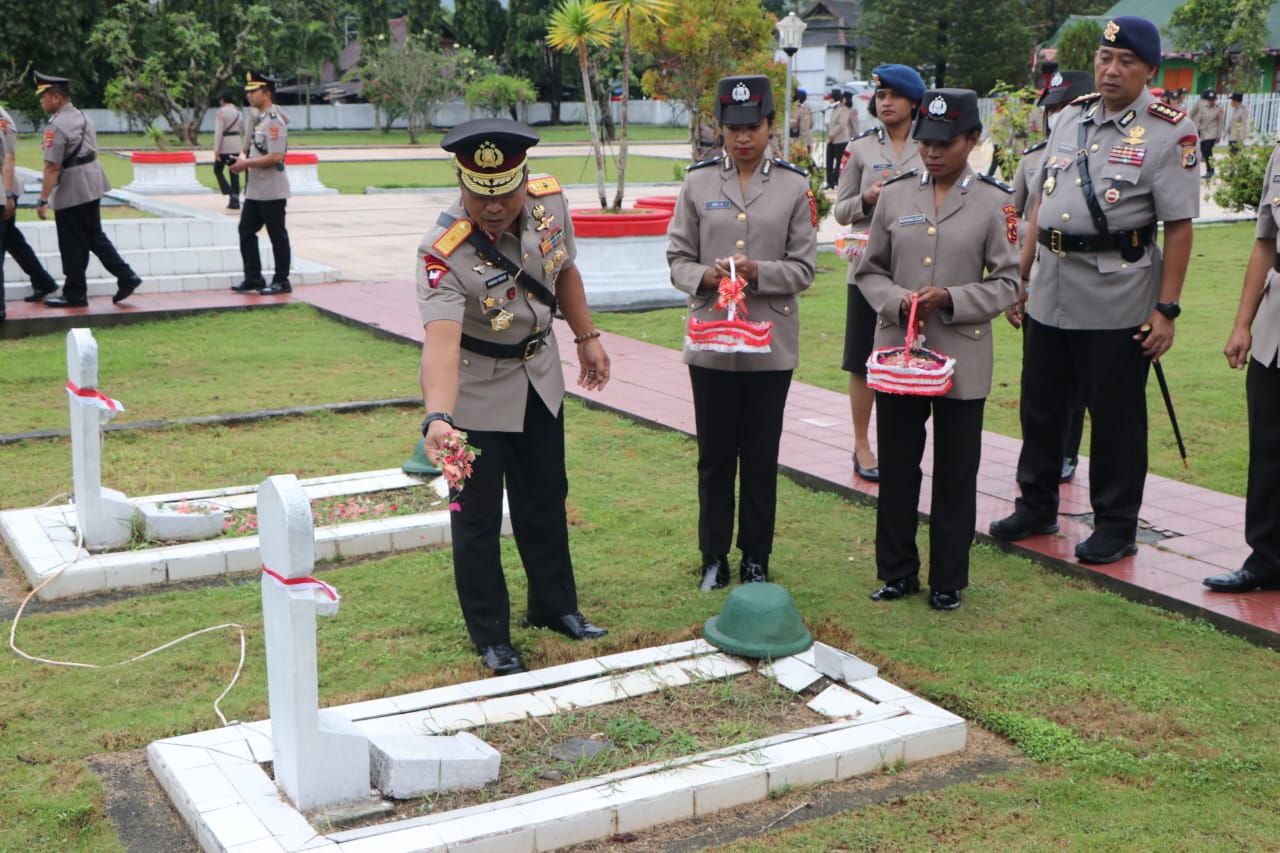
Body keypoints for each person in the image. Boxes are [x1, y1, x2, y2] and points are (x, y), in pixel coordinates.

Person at [990, 16, 1200, 564]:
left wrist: (1167, 309)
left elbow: (1179, 227)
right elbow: (1039, 205)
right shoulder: (1071, 119)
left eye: (1125, 61)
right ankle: (1035, 504)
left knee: (1115, 417)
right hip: (1051, 287)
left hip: (1118, 295)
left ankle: (1115, 523)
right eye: (1106, 59)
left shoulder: (1169, 129)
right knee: (1040, 406)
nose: (1111, 70)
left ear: (1150, 69)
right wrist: (1021, 274)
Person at [417, 118, 611, 676]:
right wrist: (439, 416)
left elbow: (563, 269)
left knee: (545, 497)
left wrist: (586, 337)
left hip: (539, 376)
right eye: (480, 195)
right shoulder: (441, 250)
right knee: (476, 519)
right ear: (462, 184)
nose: (494, 207)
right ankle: (492, 635)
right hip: (474, 391)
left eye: (504, 193)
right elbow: (442, 343)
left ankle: (555, 608)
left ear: (524, 180)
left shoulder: (551, 204)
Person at [856, 89, 1018, 611]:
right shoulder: (896, 196)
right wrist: (895, 302)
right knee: (898, 467)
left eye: (946, 143)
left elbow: (1010, 283)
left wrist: (952, 298)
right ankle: (897, 571)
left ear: (972, 140)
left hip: (961, 355)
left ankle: (949, 577)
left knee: (955, 471)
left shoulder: (996, 202)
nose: (932, 152)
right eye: (926, 141)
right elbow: (870, 270)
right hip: (900, 356)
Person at [668, 74, 817, 592]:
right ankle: (714, 556)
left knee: (759, 455)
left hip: (769, 344)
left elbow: (803, 268)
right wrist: (707, 276)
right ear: (720, 129)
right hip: (711, 340)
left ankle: (756, 556)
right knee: (713, 455)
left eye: (753, 126)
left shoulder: (795, 186)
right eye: (733, 128)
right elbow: (677, 258)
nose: (743, 138)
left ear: (771, 126)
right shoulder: (698, 182)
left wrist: (758, 271)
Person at [833, 63, 927, 482]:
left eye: (894, 95)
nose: (885, 102)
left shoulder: (931, 142)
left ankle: (902, 444)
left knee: (911, 355)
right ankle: (861, 443)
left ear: (913, 102)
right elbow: (840, 210)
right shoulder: (862, 149)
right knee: (862, 360)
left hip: (917, 270)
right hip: (868, 272)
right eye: (881, 95)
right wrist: (867, 200)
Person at [1006, 70, 1095, 483]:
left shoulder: (1098, 157)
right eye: (1051, 109)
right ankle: (1037, 462)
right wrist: (1016, 278)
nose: (1055, 116)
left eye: (1063, 107)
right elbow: (1013, 217)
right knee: (1039, 381)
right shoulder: (1032, 159)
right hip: (1040, 277)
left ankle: (1068, 451)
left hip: (1091, 283)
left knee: (1079, 380)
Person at [1204, 142, 1280, 594]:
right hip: (1276, 329)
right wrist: (1242, 324)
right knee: (1268, 446)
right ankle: (1266, 559)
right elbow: (1265, 244)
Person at [33, 73, 142, 309]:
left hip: (72, 188)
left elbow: (52, 166)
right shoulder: (83, 118)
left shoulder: (57, 126)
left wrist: (43, 199)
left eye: (44, 97)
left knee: (72, 242)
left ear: (57, 97)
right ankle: (125, 275)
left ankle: (76, 292)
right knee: (92, 235)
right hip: (92, 183)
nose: (41, 102)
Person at [229, 70, 291, 295]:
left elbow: (276, 157)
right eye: (248, 91)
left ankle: (282, 280)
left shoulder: (274, 122)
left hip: (272, 189)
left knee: (277, 235)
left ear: (266, 94)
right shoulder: (260, 119)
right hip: (256, 189)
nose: (249, 95)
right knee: (245, 230)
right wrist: (242, 160)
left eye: (253, 91)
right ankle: (253, 278)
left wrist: (246, 164)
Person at [1, 104, 59, 305]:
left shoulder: (3, 119)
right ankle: (43, 281)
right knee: (12, 240)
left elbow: (8, 158)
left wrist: (7, 195)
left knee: (8, 240)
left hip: (4, 191)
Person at [212, 91, 243, 210]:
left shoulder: (221, 112)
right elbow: (240, 127)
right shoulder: (238, 112)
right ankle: (235, 198)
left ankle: (230, 193)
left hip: (225, 144)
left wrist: (216, 149)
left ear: (223, 100)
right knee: (234, 172)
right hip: (236, 144)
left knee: (217, 169)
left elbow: (219, 131)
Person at [1189, 89, 1222, 178]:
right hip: (1203, 133)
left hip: (1212, 133)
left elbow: (1220, 123)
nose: (1212, 102)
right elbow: (1199, 119)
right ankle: (1209, 170)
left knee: (1208, 151)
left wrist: (1219, 135)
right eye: (1210, 100)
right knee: (1204, 151)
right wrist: (1196, 128)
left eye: (1213, 100)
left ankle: (1210, 170)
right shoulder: (1204, 107)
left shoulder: (1218, 109)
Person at [825, 90, 853, 190]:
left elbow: (842, 124)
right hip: (831, 140)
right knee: (829, 161)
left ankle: (837, 181)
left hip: (840, 140)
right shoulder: (833, 109)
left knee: (839, 162)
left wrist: (832, 134)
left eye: (831, 98)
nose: (830, 100)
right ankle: (829, 182)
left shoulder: (843, 109)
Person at [790, 89, 814, 154]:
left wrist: (802, 144)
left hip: (801, 142)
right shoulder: (794, 109)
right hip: (794, 140)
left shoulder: (803, 110)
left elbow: (804, 129)